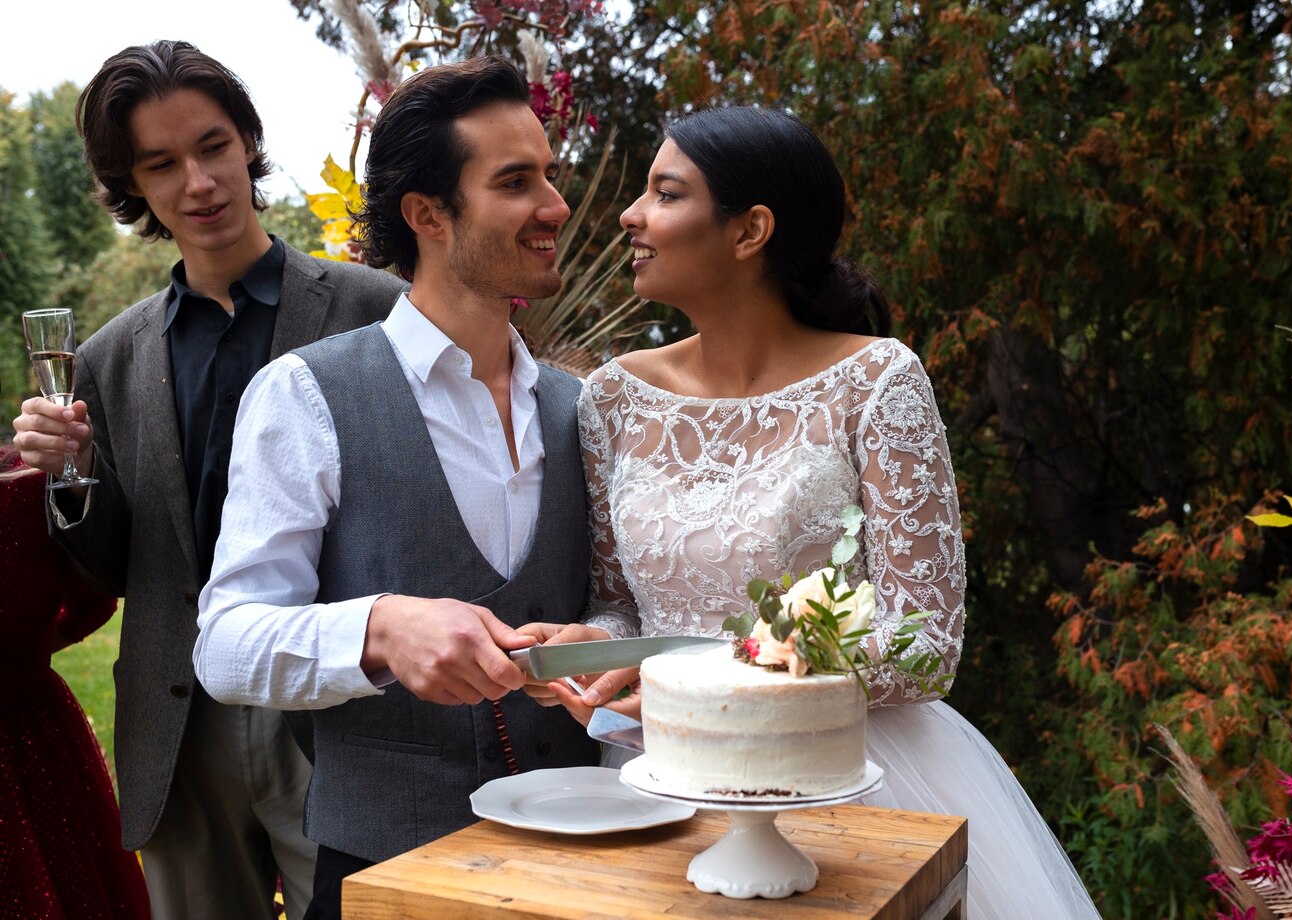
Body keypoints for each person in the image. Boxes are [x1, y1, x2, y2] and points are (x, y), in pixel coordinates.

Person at [533, 107, 1103, 920]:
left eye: (665, 193)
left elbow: (924, 645)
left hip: (849, 777)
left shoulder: (877, 382)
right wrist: (600, 643)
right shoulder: (613, 396)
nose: (631, 213)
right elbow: (620, 598)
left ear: (750, 230)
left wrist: (718, 669)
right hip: (662, 779)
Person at [193, 56, 600, 920]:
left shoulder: (581, 407)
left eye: (550, 177)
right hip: (384, 880)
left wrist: (598, 640)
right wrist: (379, 628)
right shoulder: (306, 394)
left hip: (581, 868)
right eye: (517, 182)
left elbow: (620, 604)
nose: (556, 207)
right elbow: (226, 645)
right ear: (428, 216)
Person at [10, 41, 405, 920]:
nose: (199, 181)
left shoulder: (375, 312)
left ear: (248, 144)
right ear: (134, 188)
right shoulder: (109, 357)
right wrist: (71, 473)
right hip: (180, 727)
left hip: (336, 708)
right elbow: (107, 569)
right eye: (162, 164)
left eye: (214, 146)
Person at [0, 446, 151, 920]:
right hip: (27, 728)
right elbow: (91, 599)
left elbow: (96, 589)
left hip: (24, 742)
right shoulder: (26, 485)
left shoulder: (27, 486)